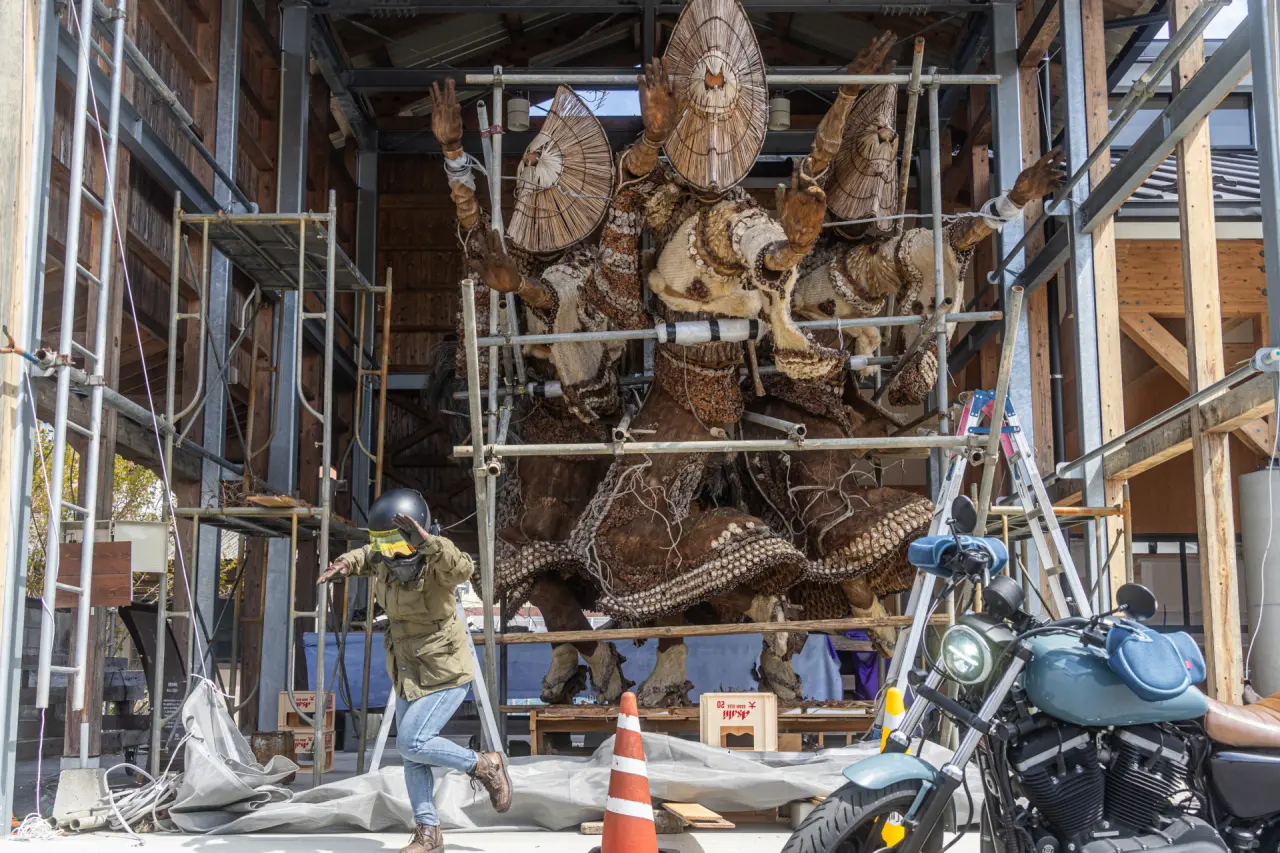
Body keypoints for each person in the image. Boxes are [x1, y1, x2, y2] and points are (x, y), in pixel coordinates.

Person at [319, 487, 512, 853]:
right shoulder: (384, 557)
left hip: (444, 669)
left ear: (417, 534)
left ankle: (484, 765)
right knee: (411, 755)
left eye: (398, 544)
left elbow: (463, 567)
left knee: (412, 741)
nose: (390, 555)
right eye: (384, 545)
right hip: (407, 667)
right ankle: (429, 832)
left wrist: (428, 542)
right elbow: (368, 553)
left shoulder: (437, 562)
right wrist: (346, 563)